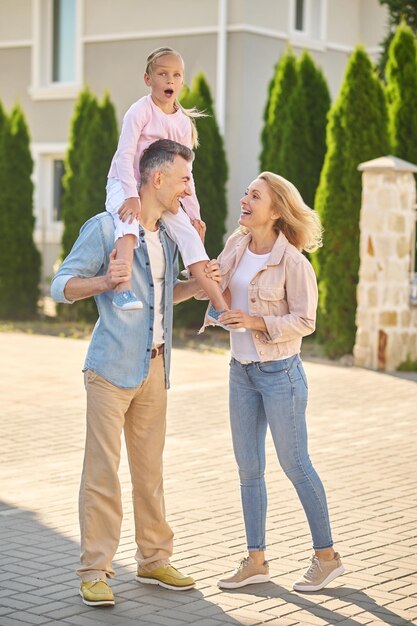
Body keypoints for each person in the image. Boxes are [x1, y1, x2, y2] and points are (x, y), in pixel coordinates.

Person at [51, 139, 220, 607]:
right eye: (184, 178)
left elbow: (165, 295)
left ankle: (153, 560)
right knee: (102, 474)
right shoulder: (107, 228)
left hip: (157, 368)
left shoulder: (170, 234)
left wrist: (199, 290)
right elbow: (61, 284)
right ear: (157, 178)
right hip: (109, 371)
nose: (190, 187)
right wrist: (105, 281)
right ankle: (94, 570)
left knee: (150, 474)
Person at [208, 172, 345, 592]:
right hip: (241, 372)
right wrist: (203, 267)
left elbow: (306, 320)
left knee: (295, 465)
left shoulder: (293, 262)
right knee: (249, 468)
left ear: (275, 210)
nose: (245, 200)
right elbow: (211, 291)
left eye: (255, 195)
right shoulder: (236, 245)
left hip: (279, 374)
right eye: (246, 193)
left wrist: (255, 321)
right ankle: (256, 561)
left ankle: (327, 558)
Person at [105, 46, 239, 333]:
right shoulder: (139, 111)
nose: (169, 80)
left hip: (162, 191)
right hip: (125, 181)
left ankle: (219, 307)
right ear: (148, 79)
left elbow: (185, 174)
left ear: (181, 82)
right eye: (162, 74)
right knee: (127, 221)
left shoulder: (181, 124)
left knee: (191, 237)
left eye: (176, 75)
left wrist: (193, 213)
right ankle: (123, 289)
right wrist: (130, 194)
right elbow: (125, 154)